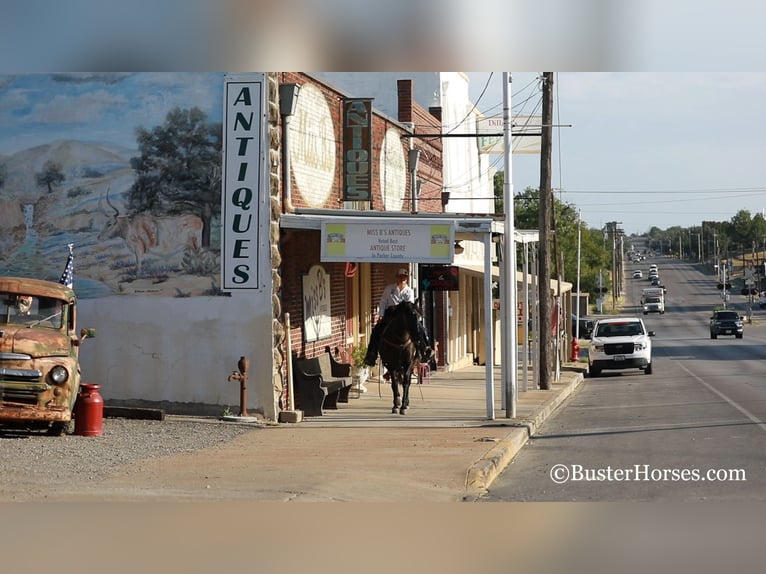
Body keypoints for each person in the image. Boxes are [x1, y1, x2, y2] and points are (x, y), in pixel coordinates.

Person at [364, 267, 433, 367]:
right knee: (376, 330)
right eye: (400, 277)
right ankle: (371, 355)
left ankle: (425, 350)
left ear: (407, 279)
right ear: (397, 278)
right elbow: (383, 302)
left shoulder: (409, 291)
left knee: (420, 328)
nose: (402, 279)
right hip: (390, 314)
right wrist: (381, 315)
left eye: (404, 277)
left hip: (405, 315)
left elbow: (409, 306)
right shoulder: (389, 289)